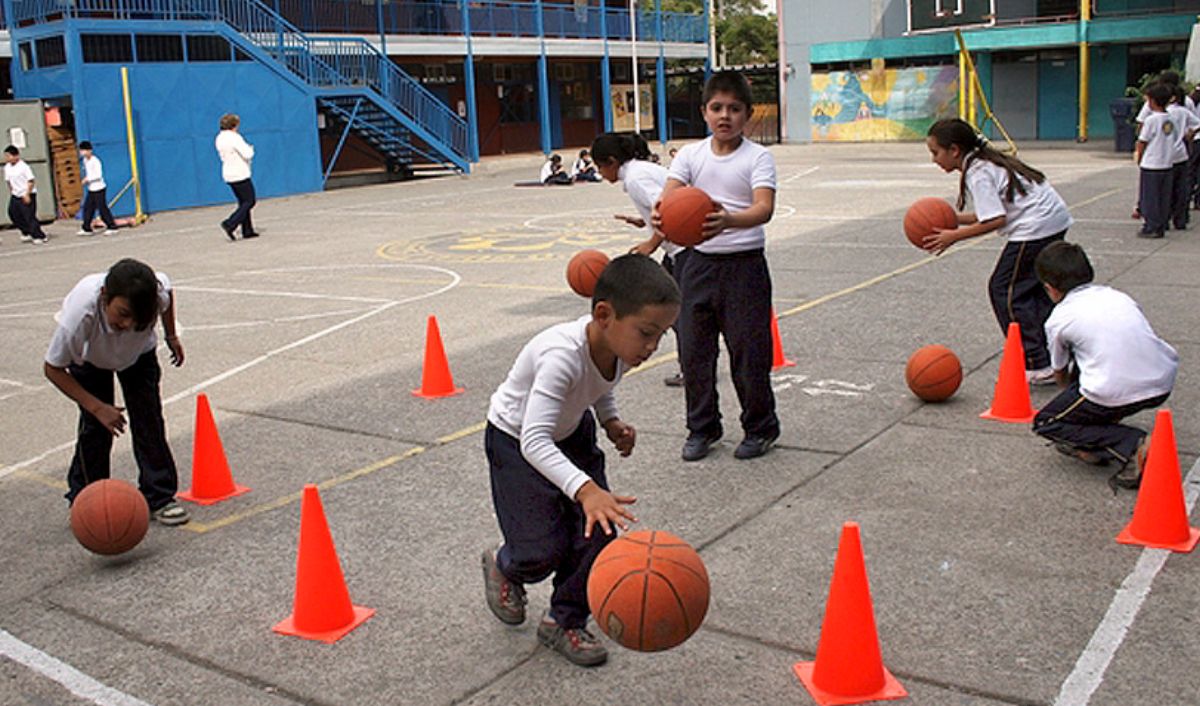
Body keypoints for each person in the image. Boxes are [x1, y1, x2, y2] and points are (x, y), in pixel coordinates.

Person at [481, 254, 680, 667]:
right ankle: (506, 564)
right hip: (516, 441)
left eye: (660, 336)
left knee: (598, 534)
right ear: (604, 314)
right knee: (541, 548)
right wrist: (586, 489)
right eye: (647, 333)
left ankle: (564, 620)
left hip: (572, 434)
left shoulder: (619, 346)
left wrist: (610, 421)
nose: (651, 347)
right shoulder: (561, 355)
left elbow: (601, 382)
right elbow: (535, 440)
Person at [652, 69, 781, 462]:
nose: (725, 115)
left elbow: (764, 207)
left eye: (734, 109)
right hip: (696, 265)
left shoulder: (758, 157)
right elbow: (669, 198)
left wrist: (728, 220)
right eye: (717, 108)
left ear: (747, 114)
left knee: (748, 353)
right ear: (704, 112)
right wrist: (661, 217)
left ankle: (760, 428)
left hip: (743, 267)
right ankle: (702, 428)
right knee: (694, 353)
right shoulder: (691, 155)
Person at [924, 118, 1074, 385]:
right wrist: (955, 219)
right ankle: (1055, 355)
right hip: (1052, 220)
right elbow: (991, 213)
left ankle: (1036, 363)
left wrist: (954, 236)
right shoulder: (985, 161)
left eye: (936, 152)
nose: (934, 160)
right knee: (1034, 292)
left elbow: (995, 220)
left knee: (1004, 290)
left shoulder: (977, 172)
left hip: (1036, 227)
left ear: (955, 150)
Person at [43, 258, 191, 525]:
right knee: (96, 428)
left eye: (138, 318)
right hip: (90, 359)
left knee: (149, 421)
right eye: (122, 313)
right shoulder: (80, 315)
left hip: (138, 357)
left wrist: (171, 336)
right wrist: (98, 408)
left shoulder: (154, 293)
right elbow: (53, 368)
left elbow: (167, 292)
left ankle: (159, 497)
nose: (128, 324)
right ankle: (86, 497)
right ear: (104, 297)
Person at [1031, 242, 1177, 491]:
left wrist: (1070, 397)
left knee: (1047, 422)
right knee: (1090, 364)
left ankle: (1132, 442)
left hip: (1113, 390)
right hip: (1162, 380)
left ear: (1050, 289)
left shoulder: (1059, 319)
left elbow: (1059, 371)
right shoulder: (1118, 296)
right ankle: (1093, 439)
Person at [592, 131, 685, 387]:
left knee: (678, 314)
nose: (600, 174)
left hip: (683, 250)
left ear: (612, 162)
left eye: (600, 168)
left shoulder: (635, 178)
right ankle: (691, 365)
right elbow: (660, 207)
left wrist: (650, 245)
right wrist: (642, 220)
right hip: (677, 249)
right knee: (677, 314)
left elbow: (670, 211)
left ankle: (693, 368)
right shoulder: (641, 170)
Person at [1135, 83, 1176, 239]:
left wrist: (1139, 157)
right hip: (1166, 162)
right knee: (1163, 197)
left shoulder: (1151, 120)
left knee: (1149, 197)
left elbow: (1143, 141)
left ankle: (1151, 225)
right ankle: (1161, 224)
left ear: (1152, 101)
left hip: (1151, 163)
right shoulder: (1170, 118)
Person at [215, 113, 259, 241]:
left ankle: (247, 230)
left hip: (228, 172)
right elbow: (247, 154)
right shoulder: (234, 138)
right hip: (240, 172)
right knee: (250, 200)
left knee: (243, 201)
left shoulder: (219, 138)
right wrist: (251, 148)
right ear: (234, 125)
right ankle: (230, 223)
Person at [1164, 84, 1199, 231]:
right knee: (1181, 188)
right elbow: (1198, 123)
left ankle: (1164, 219)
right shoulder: (1184, 112)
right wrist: (1189, 133)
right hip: (1182, 154)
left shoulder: (1164, 114)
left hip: (1165, 156)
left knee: (1166, 190)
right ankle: (1181, 219)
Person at [4, 145, 48, 245]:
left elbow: (31, 181)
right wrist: (12, 192)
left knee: (29, 216)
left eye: (9, 156)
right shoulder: (7, 167)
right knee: (13, 214)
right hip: (16, 194)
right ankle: (26, 231)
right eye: (6, 156)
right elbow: (8, 181)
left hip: (27, 193)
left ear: (16, 156)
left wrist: (27, 194)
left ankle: (39, 236)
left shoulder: (23, 167)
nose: (7, 158)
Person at [77, 141, 119, 236]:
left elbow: (98, 175)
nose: (82, 152)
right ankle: (86, 228)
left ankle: (112, 226)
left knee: (102, 208)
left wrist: (88, 179)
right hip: (91, 189)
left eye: (84, 150)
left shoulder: (95, 161)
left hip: (99, 188)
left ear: (89, 151)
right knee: (88, 208)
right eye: (81, 150)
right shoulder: (85, 161)